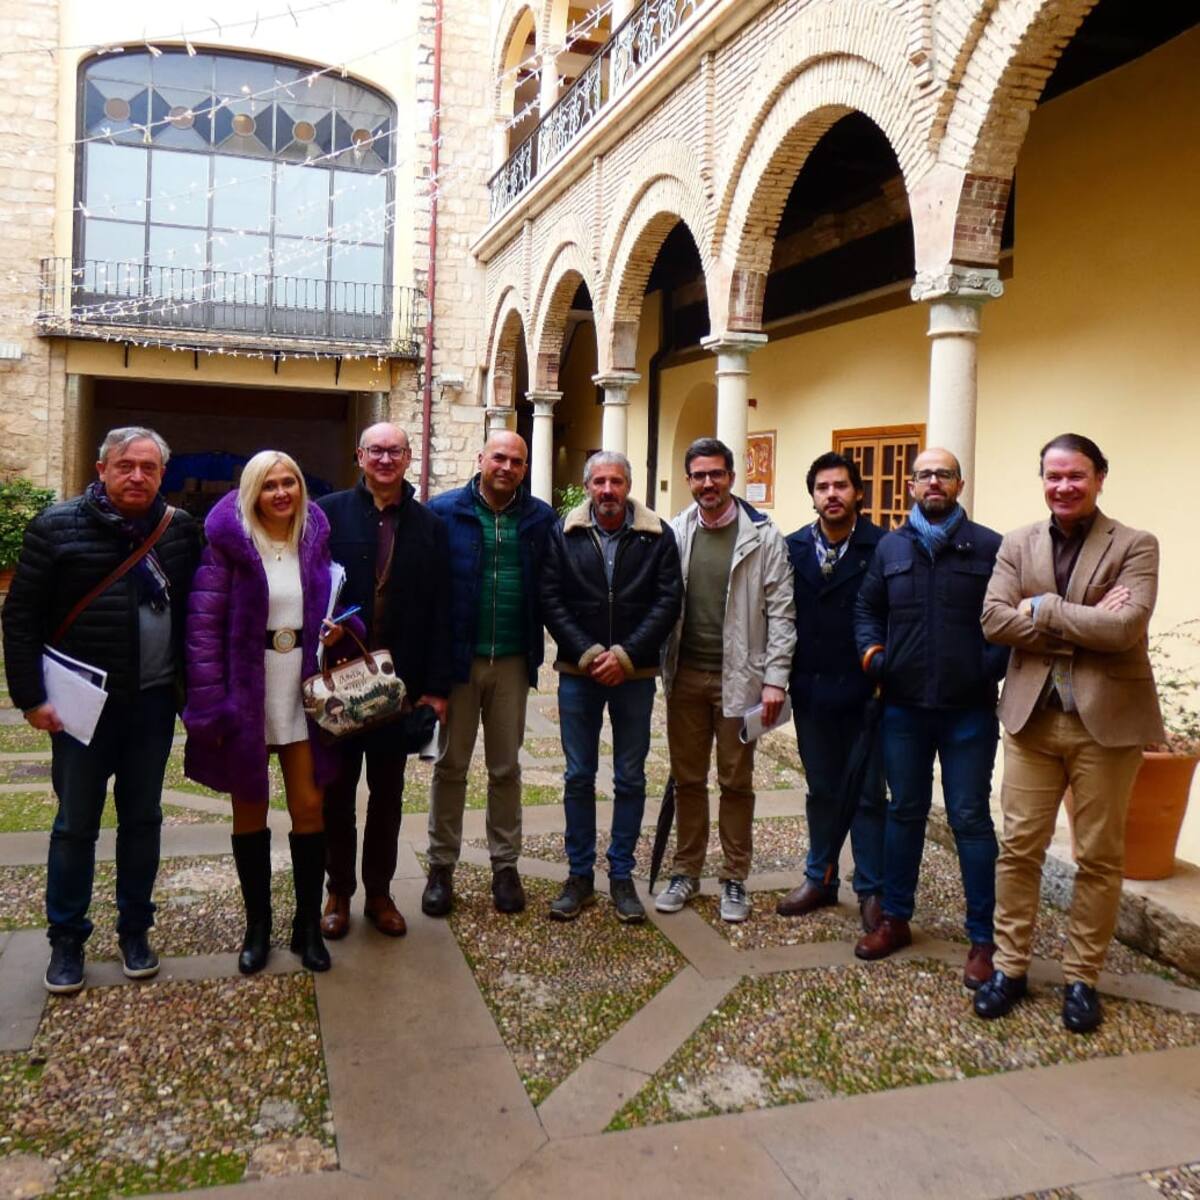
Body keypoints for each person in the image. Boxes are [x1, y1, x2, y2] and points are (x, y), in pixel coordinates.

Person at [975, 434, 1163, 1033]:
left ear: (1100, 477)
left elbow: (1125, 629)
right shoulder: (1016, 542)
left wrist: (1041, 608)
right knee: (1019, 848)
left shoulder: (1135, 544)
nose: (1063, 487)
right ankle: (1010, 968)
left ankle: (1083, 978)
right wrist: (1084, 621)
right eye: (1053, 476)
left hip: (1105, 726)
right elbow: (992, 620)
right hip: (1031, 721)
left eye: (1076, 475)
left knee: (1099, 857)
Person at [2, 427, 201, 994]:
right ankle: (67, 941)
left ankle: (135, 930)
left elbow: (199, 609)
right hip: (79, 709)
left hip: (152, 704)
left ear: (162, 474)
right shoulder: (55, 527)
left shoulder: (180, 531)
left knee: (142, 821)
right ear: (102, 469)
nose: (136, 476)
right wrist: (30, 697)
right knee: (75, 826)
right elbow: (20, 618)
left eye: (148, 467)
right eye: (124, 466)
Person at [183, 450, 362, 975]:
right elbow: (202, 630)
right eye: (269, 485)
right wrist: (211, 704)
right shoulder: (228, 548)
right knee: (250, 807)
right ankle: (257, 927)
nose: (281, 493)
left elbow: (338, 610)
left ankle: (306, 926)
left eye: (289, 482)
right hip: (247, 694)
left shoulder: (314, 541)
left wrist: (343, 628)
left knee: (308, 806)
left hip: (301, 693)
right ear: (252, 492)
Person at [853, 447, 1007, 987]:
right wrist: (875, 657)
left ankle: (983, 939)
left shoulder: (989, 546)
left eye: (944, 474)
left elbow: (1006, 616)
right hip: (903, 708)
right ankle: (895, 919)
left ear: (960, 484)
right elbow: (867, 608)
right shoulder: (892, 547)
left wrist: (987, 666)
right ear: (911, 486)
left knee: (970, 819)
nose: (934, 482)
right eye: (924, 475)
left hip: (969, 713)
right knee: (905, 812)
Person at [316, 423, 451, 940]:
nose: (386, 459)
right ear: (360, 456)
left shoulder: (429, 525)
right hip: (341, 683)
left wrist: (436, 688)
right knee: (336, 794)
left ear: (409, 456)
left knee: (388, 796)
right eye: (376, 450)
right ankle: (338, 891)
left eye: (395, 451)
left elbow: (441, 610)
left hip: (400, 686)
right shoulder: (327, 514)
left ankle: (379, 893)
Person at [656, 437, 796, 922]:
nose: (708, 483)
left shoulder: (763, 536)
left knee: (736, 781)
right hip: (686, 677)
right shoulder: (676, 532)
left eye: (716, 474)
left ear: (731, 477)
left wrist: (775, 680)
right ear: (689, 480)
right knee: (688, 779)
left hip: (740, 679)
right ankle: (686, 870)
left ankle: (734, 877)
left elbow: (782, 613)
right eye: (699, 475)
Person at [540, 451, 682, 923]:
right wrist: (587, 653)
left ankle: (621, 875)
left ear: (628, 486)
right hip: (578, 672)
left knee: (630, 777)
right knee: (578, 776)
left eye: (616, 481)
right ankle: (579, 875)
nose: (607, 490)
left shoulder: (657, 535)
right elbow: (550, 598)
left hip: (633, 676)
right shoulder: (563, 533)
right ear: (587, 487)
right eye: (599, 481)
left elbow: (668, 601)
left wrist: (624, 655)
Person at [422, 431, 557, 916]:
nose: (507, 467)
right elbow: (425, 590)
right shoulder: (443, 512)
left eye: (516, 461)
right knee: (450, 766)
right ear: (480, 458)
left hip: (514, 661)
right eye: (499, 457)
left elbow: (554, 585)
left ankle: (505, 866)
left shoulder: (541, 519)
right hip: (460, 661)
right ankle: (441, 867)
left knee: (505, 769)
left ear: (525, 468)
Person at [776, 452, 886, 929]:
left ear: (858, 492)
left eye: (841, 486)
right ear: (813, 496)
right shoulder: (792, 548)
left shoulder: (884, 547)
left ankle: (872, 887)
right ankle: (819, 877)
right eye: (822, 488)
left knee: (868, 793)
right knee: (821, 789)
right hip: (812, 689)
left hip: (867, 693)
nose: (832, 495)